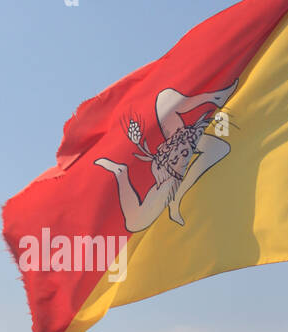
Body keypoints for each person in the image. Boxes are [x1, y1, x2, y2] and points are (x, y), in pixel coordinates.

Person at [95, 79, 238, 231]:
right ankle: (123, 173)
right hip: (171, 164)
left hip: (173, 163)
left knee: (134, 223)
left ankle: (122, 173)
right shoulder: (171, 172)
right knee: (134, 223)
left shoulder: (176, 162)